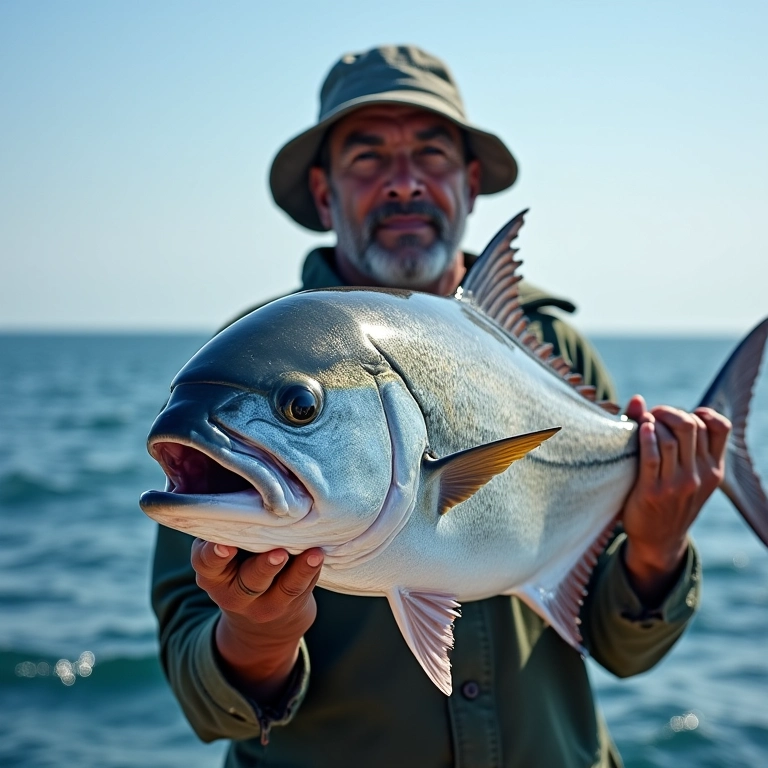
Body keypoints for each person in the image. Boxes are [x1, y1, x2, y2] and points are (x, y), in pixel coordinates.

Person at [151, 45, 730, 767]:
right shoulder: (248, 372)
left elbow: (624, 651)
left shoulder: (552, 347)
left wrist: (656, 547)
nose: (402, 183)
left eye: (430, 154)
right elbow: (199, 699)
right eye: (367, 158)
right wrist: (259, 633)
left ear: (470, 183)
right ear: (325, 194)